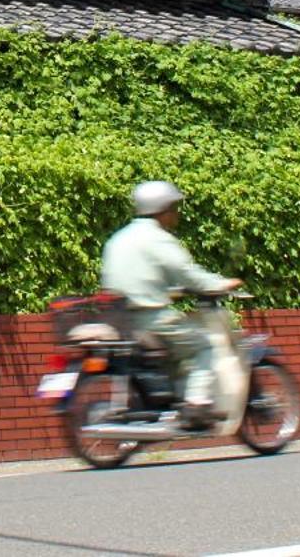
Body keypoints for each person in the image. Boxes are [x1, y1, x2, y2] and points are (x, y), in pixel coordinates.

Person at [98, 181, 242, 427]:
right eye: (174, 208)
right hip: (150, 318)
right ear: (163, 209)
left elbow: (135, 277)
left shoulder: (119, 238)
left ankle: (174, 402)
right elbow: (186, 272)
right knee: (204, 346)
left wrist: (167, 292)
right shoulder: (157, 239)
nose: (175, 214)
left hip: (119, 320)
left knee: (175, 354)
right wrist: (219, 284)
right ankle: (196, 405)